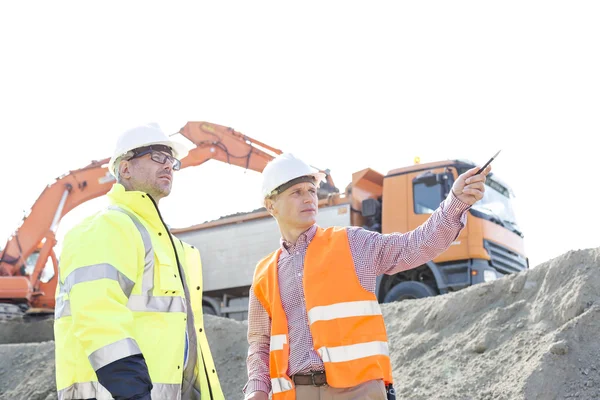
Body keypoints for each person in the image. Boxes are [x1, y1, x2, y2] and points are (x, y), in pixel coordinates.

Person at [243, 153, 491, 400]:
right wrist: (257, 387)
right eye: (296, 192)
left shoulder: (352, 244)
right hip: (297, 394)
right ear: (270, 204)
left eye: (311, 190)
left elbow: (415, 245)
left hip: (358, 391)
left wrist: (455, 202)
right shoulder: (265, 273)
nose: (308, 198)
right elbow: (260, 344)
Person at [54, 123, 225, 400]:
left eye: (171, 159)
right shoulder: (107, 227)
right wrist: (132, 392)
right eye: (157, 155)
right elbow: (99, 318)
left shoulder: (169, 245)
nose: (168, 164)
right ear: (125, 168)